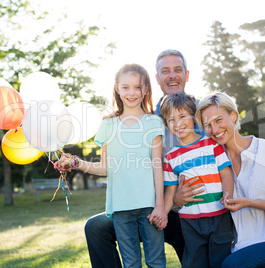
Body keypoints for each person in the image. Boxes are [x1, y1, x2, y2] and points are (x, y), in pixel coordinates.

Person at [74, 49, 205, 268]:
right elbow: (114, 165)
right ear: (156, 79)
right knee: (96, 227)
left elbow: (221, 151)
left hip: (191, 208)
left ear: (187, 74)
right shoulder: (149, 116)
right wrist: (77, 162)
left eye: (177, 70)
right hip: (150, 204)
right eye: (165, 71)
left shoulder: (203, 111)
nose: (172, 75)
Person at [56, 64, 167, 267]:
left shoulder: (154, 122)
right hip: (120, 208)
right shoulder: (108, 125)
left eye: (137, 87)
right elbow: (105, 167)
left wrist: (160, 205)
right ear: (117, 88)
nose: (131, 93)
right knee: (131, 262)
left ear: (146, 89)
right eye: (126, 87)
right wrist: (76, 162)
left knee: (156, 261)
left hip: (150, 206)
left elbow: (157, 166)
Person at [196, 92, 265, 268]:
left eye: (218, 120)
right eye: (207, 125)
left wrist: (249, 202)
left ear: (234, 116)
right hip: (238, 249)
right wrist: (179, 196)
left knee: (232, 266)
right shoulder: (212, 163)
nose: (214, 130)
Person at [160, 92, 234, 268]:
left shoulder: (212, 145)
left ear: (194, 118)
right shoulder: (170, 158)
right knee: (194, 262)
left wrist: (228, 196)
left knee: (220, 260)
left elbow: (226, 174)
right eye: (171, 120)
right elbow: (171, 190)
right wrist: (163, 213)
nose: (177, 124)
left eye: (182, 116)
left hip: (219, 215)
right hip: (190, 220)